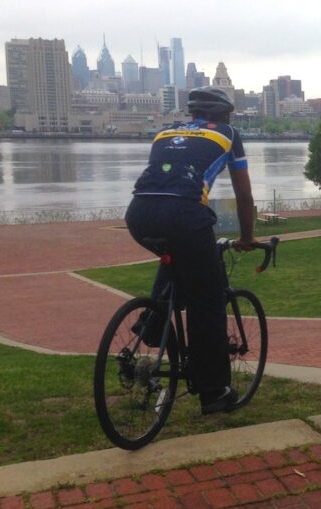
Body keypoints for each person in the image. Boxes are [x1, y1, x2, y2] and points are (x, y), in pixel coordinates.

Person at [124, 86, 257, 415]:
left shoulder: (164, 132)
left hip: (138, 214)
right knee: (208, 299)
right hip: (185, 215)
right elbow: (244, 196)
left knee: (177, 259)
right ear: (223, 115)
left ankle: (153, 324)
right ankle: (213, 392)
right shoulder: (229, 134)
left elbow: (162, 180)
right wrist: (247, 236)